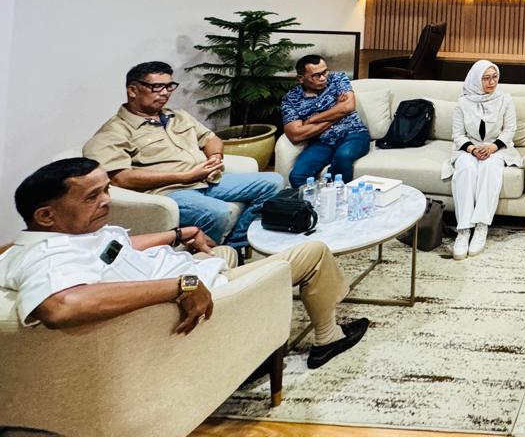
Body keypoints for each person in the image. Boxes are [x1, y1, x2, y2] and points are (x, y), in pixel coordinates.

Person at [0, 158, 369, 369]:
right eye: (92, 196)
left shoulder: (69, 236)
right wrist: (182, 285)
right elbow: (62, 306)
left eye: (106, 190)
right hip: (199, 295)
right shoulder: (48, 257)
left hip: (190, 275)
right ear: (46, 215)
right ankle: (327, 339)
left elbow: (119, 246)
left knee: (224, 253)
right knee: (314, 250)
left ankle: (245, 339)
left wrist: (178, 234)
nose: (107, 201)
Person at [83, 61, 284, 250]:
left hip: (208, 180)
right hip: (170, 191)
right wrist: (185, 177)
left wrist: (215, 156)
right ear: (133, 90)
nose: (165, 93)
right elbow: (120, 178)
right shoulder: (114, 131)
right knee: (218, 212)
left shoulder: (178, 115)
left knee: (273, 181)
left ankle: (235, 246)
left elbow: (211, 138)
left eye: (169, 86)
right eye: (157, 87)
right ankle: (208, 255)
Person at [442, 60, 523, 260]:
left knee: (490, 167)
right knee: (466, 169)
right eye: (486, 78)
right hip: (469, 149)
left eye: (494, 77)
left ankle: (481, 225)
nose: (492, 82)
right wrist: (472, 149)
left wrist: (492, 147)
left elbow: (510, 130)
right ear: (476, 80)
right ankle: (463, 230)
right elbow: (458, 135)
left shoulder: (505, 100)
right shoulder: (463, 103)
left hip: (496, 148)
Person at [281, 55, 372, 187]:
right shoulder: (291, 99)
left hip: (353, 133)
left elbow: (348, 106)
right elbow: (295, 135)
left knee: (343, 156)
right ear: (301, 78)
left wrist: (311, 119)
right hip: (322, 142)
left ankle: (337, 196)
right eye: (316, 75)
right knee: (297, 176)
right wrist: (337, 111)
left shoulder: (338, 79)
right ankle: (317, 198)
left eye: (325, 72)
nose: (323, 78)